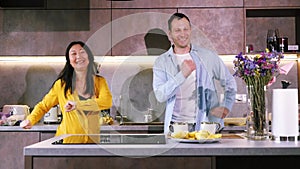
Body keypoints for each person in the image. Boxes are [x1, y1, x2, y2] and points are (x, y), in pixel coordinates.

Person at [152, 13, 237, 135]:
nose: (182, 34)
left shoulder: (208, 56)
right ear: (170, 34)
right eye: (177, 30)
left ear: (190, 30)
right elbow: (160, 96)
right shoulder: (161, 62)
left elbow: (229, 82)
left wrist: (226, 106)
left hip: (206, 127)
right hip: (175, 128)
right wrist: (182, 75)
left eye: (185, 29)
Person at [20, 41, 112, 143]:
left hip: (93, 141)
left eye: (82, 52)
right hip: (67, 141)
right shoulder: (61, 85)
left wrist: (78, 105)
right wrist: (30, 120)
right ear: (69, 60)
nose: (78, 56)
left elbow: (107, 101)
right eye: (73, 54)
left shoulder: (99, 82)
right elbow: (43, 106)